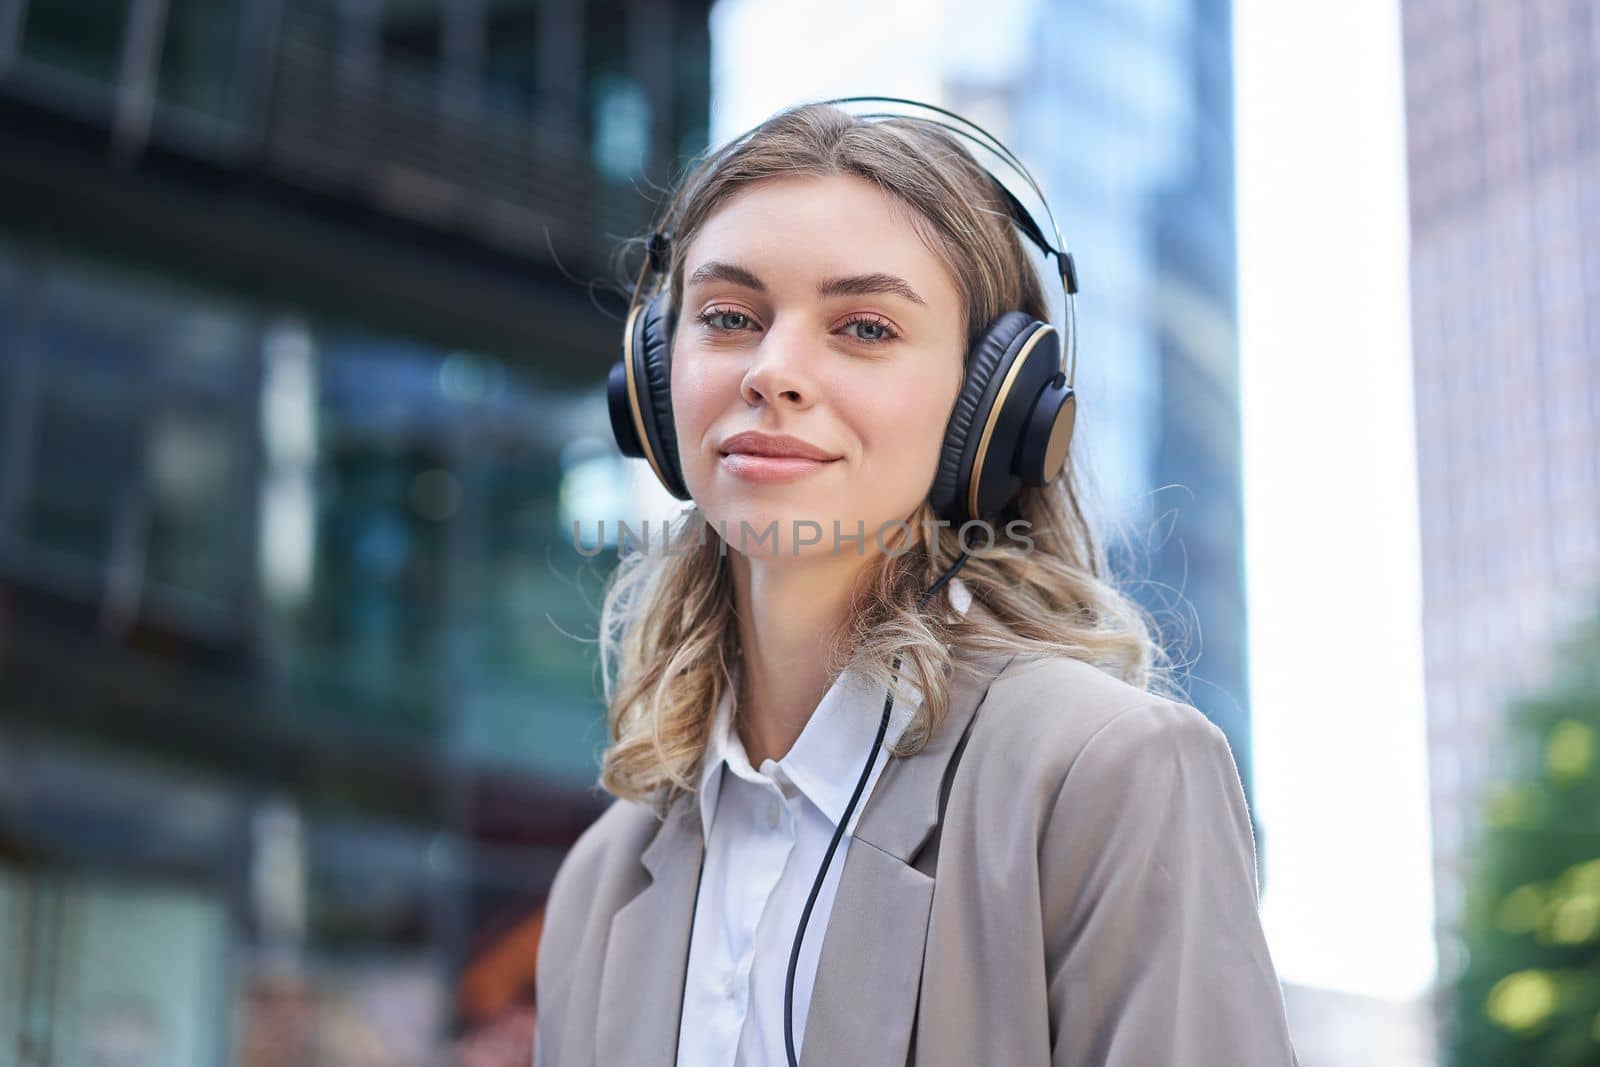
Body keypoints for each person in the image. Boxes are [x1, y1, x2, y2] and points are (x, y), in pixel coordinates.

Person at [533, 98, 1298, 1066]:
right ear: (652, 376)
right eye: (728, 316)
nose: (773, 370)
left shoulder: (1108, 773)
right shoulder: (601, 879)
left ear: (994, 407)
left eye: (863, 326)